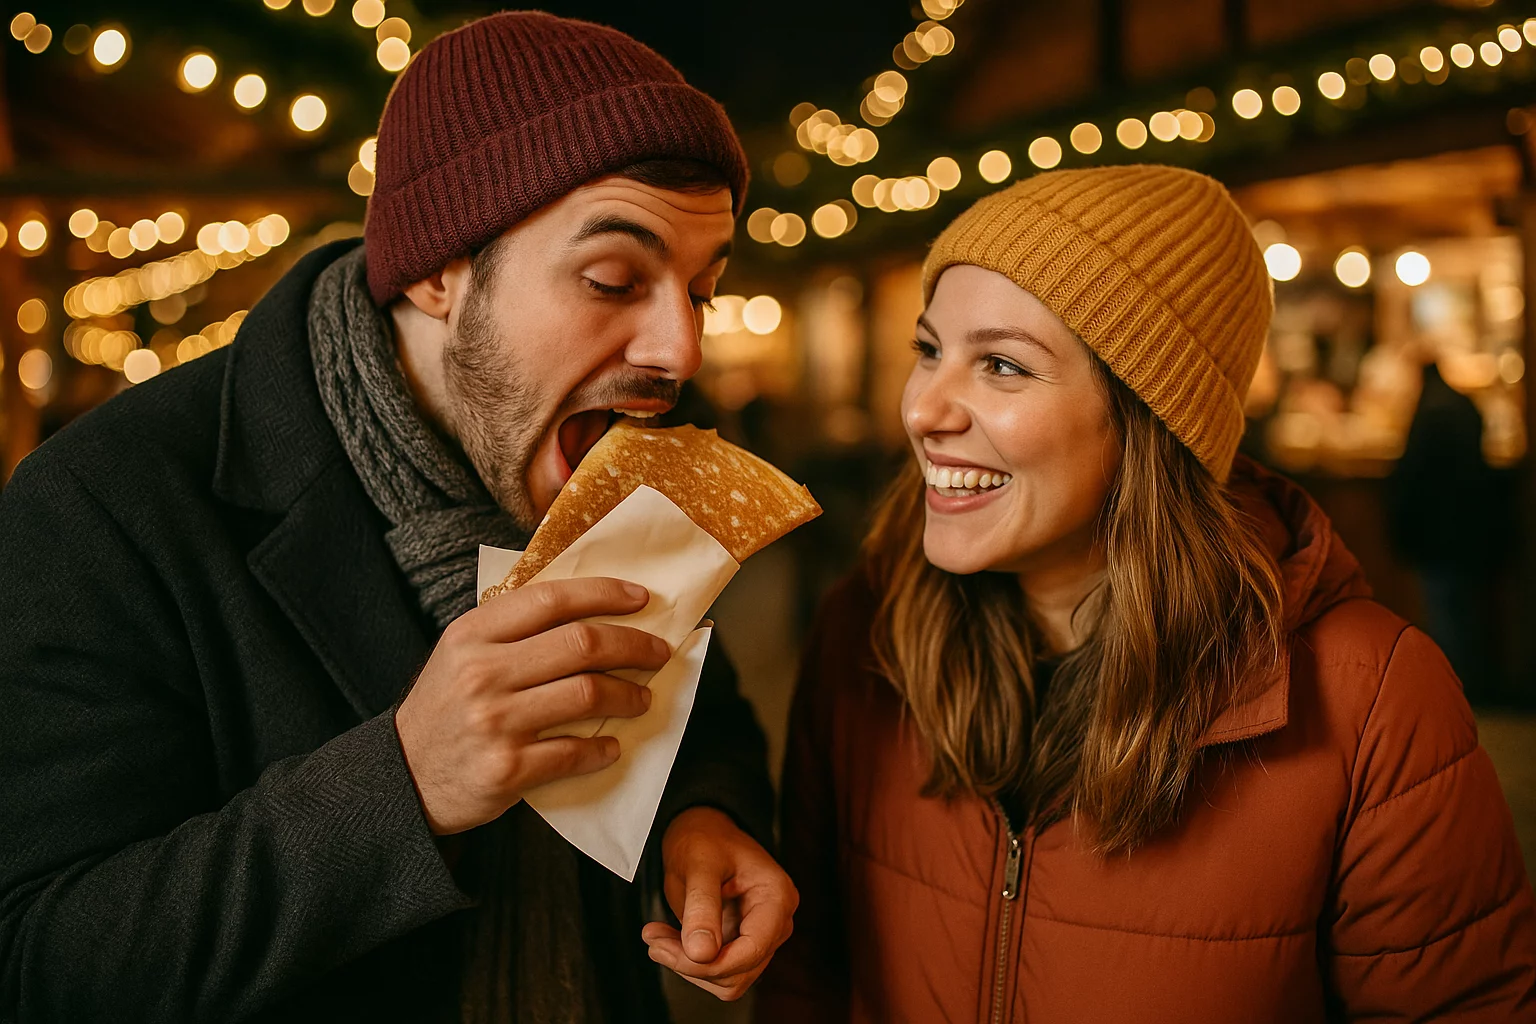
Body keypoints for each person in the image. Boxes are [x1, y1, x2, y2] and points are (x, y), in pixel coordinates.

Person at [0, 13, 796, 1023]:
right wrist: (405, 783)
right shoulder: (104, 506)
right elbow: (39, 959)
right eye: (613, 280)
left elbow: (695, 715)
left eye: (704, 289)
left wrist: (701, 817)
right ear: (436, 269)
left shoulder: (619, 479)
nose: (679, 351)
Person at [757, 165, 1536, 1022]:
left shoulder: (1373, 702)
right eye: (930, 350)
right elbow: (809, 983)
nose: (922, 410)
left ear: (1151, 420)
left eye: (1004, 366)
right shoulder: (865, 634)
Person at [1386, 353, 1517, 705]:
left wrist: (1401, 528)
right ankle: (1473, 687)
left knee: (1445, 611)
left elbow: (1412, 476)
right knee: (1467, 611)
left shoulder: (1428, 410)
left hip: (1438, 531)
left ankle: (1454, 691)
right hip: (1471, 527)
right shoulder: (1461, 404)